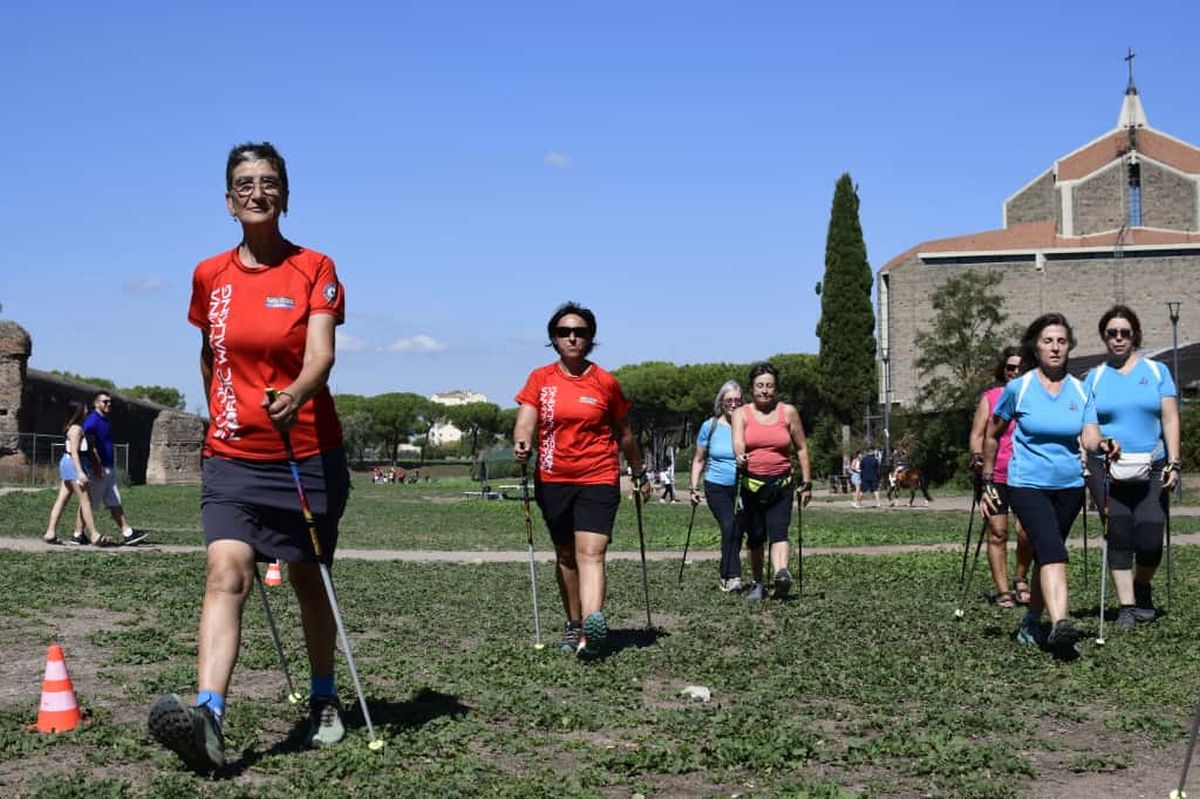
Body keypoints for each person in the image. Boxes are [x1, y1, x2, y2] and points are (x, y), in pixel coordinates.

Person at [149, 142, 352, 771]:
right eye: (243, 183)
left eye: (268, 182)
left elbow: (321, 355)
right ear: (228, 199)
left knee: (307, 579)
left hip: (306, 452)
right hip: (233, 456)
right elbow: (211, 353)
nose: (256, 192)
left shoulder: (315, 267)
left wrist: (294, 393)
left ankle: (323, 697)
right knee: (225, 572)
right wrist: (222, 410)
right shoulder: (209, 275)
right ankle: (208, 716)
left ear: (285, 195)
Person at [512, 302, 649, 658]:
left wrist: (638, 471)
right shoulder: (540, 379)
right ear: (554, 339)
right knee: (566, 554)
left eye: (580, 332)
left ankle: (591, 628)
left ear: (591, 338)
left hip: (598, 475)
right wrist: (521, 442)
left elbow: (625, 434)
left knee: (592, 552)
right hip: (553, 477)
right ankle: (574, 623)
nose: (572, 337)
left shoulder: (605, 382)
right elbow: (526, 418)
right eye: (564, 332)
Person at [981, 313, 1088, 658]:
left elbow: (1091, 433)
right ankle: (1060, 624)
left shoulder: (1080, 389)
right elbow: (992, 434)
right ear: (1036, 347)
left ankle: (1030, 621)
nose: (1055, 347)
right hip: (1027, 484)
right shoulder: (1018, 388)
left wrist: (1106, 444)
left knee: (1046, 555)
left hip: (1070, 485)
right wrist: (987, 480)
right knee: (1052, 550)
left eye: (1061, 341)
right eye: (1047, 341)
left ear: (1068, 346)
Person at [1081, 305, 1181, 629]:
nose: (1119, 338)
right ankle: (1126, 606)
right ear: (1104, 337)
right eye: (1112, 333)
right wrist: (1100, 445)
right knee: (1119, 531)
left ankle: (1142, 586)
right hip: (1107, 467)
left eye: (1125, 332)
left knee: (1151, 535)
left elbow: (1169, 418)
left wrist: (1175, 463)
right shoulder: (1093, 378)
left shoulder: (1156, 372)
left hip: (1154, 464)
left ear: (1135, 334)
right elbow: (1088, 427)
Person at [731, 362, 813, 602]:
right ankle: (758, 583)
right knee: (756, 536)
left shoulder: (787, 412)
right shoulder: (741, 413)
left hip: (782, 484)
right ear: (751, 388)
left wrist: (807, 482)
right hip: (752, 484)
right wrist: (740, 455)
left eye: (769, 386)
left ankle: (781, 575)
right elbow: (737, 441)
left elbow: (801, 448)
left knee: (779, 532)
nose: (764, 390)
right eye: (759, 386)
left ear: (775, 388)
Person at [969, 347, 1034, 607]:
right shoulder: (992, 397)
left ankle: (1021, 578)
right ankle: (1003, 590)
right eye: (1010, 368)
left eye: (1020, 368)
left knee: (1026, 531)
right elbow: (977, 434)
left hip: (1027, 473)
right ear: (1003, 370)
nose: (1015, 372)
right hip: (994, 473)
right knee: (997, 531)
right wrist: (976, 455)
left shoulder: (1034, 397)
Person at [689, 380, 745, 592]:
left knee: (738, 530)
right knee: (729, 525)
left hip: (743, 486)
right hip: (716, 486)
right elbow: (699, 460)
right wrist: (694, 488)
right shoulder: (709, 426)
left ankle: (725, 571)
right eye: (728, 400)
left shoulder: (747, 425)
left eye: (737, 400)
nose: (733, 404)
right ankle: (733, 577)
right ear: (721, 403)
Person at [77, 391, 146, 545]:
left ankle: (127, 532)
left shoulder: (105, 420)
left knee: (114, 499)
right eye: (104, 402)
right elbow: (85, 442)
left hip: (109, 467)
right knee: (88, 502)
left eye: (109, 402)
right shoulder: (92, 421)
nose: (108, 404)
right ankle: (78, 534)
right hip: (99, 468)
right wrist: (96, 464)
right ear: (96, 404)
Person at [44, 401, 109, 546]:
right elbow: (74, 452)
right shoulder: (76, 430)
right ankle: (94, 534)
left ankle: (50, 532)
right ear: (79, 411)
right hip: (73, 465)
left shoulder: (75, 428)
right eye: (85, 409)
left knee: (62, 499)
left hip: (69, 464)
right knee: (86, 501)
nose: (88, 411)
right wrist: (80, 472)